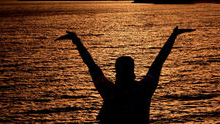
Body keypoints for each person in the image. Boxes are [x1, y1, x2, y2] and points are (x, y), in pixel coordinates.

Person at [56, 26, 195, 123]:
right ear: (134, 74)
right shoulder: (143, 90)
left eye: (118, 72)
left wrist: (77, 41)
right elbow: (158, 62)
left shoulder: (110, 91)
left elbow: (92, 65)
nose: (117, 76)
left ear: (117, 74)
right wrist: (173, 37)